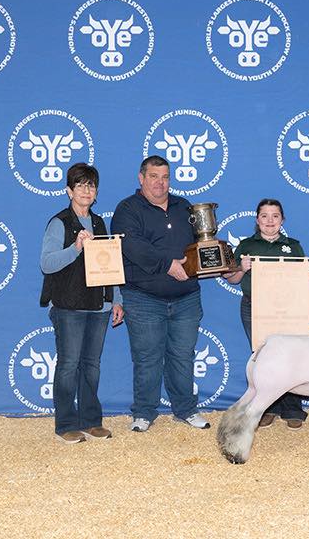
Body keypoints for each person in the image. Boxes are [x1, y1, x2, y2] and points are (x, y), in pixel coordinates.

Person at [111, 155, 210, 432]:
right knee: (147, 358)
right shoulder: (127, 209)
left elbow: (201, 244)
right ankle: (144, 412)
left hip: (186, 297)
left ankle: (186, 409)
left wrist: (216, 261)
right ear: (141, 178)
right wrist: (168, 265)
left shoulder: (184, 206)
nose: (160, 183)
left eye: (165, 177)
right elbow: (132, 246)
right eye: (154, 176)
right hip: (143, 298)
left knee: (183, 356)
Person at [39, 163, 124, 444]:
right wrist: (75, 248)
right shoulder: (59, 223)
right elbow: (47, 263)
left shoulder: (99, 223)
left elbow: (110, 264)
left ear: (96, 192)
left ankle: (90, 420)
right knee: (68, 365)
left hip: (99, 306)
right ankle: (65, 423)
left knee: (91, 365)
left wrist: (117, 299)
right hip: (69, 306)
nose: (86, 190)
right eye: (80, 185)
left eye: (91, 185)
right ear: (69, 191)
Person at [223, 198, 309, 430]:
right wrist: (241, 268)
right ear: (257, 220)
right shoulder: (246, 245)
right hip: (254, 307)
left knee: (292, 356)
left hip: (289, 308)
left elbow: (301, 281)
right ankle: (268, 407)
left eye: (275, 216)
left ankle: (293, 408)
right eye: (264, 216)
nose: (270, 220)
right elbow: (231, 278)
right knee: (264, 357)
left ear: (282, 220)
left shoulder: (293, 246)